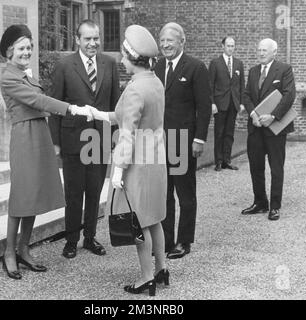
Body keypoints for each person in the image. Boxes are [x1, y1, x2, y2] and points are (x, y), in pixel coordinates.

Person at [0, 24, 92, 280]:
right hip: (24, 137)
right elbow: (38, 101)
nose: (26, 52)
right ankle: (9, 252)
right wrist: (71, 109)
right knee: (21, 195)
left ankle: (23, 248)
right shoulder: (9, 76)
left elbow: (39, 101)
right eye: (21, 48)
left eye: (29, 47)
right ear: (9, 51)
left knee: (35, 193)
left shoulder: (25, 74)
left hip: (38, 133)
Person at [89, 24, 168, 296]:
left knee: (137, 222)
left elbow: (127, 134)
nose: (121, 60)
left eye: (124, 56)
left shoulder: (135, 89)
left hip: (137, 165)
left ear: (134, 59)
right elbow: (133, 117)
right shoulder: (154, 81)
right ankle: (161, 269)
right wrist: (100, 115)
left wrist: (118, 171)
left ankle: (146, 277)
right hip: (156, 159)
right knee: (155, 218)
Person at [48, 20, 120, 259]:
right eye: (87, 39)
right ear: (77, 40)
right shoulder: (64, 66)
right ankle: (71, 240)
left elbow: (115, 104)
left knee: (95, 191)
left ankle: (90, 237)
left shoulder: (109, 63)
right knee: (74, 193)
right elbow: (55, 105)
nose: (93, 43)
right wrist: (56, 142)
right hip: (73, 140)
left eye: (96, 38)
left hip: (100, 141)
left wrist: (115, 136)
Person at [154, 23, 211, 259]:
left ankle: (184, 241)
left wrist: (199, 139)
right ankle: (166, 240)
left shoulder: (196, 67)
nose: (165, 45)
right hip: (159, 142)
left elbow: (204, 107)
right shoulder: (157, 66)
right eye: (162, 40)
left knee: (185, 194)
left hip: (184, 142)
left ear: (182, 41)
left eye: (170, 40)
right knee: (163, 193)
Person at [242, 38, 296, 221]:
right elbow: (247, 95)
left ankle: (274, 206)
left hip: (275, 128)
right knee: (256, 166)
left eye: (265, 50)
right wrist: (253, 114)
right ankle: (260, 202)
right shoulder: (253, 71)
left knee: (276, 167)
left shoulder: (284, 69)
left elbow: (289, 95)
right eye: (259, 50)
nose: (261, 53)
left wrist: (272, 116)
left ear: (274, 52)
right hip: (256, 127)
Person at [209, 36, 245, 171]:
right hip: (220, 103)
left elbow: (241, 84)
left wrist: (241, 103)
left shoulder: (238, 64)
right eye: (228, 46)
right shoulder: (215, 63)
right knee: (219, 133)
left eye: (233, 46)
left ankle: (227, 160)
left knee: (229, 133)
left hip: (233, 103)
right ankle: (218, 161)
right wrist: (212, 103)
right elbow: (210, 85)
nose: (231, 48)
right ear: (222, 47)